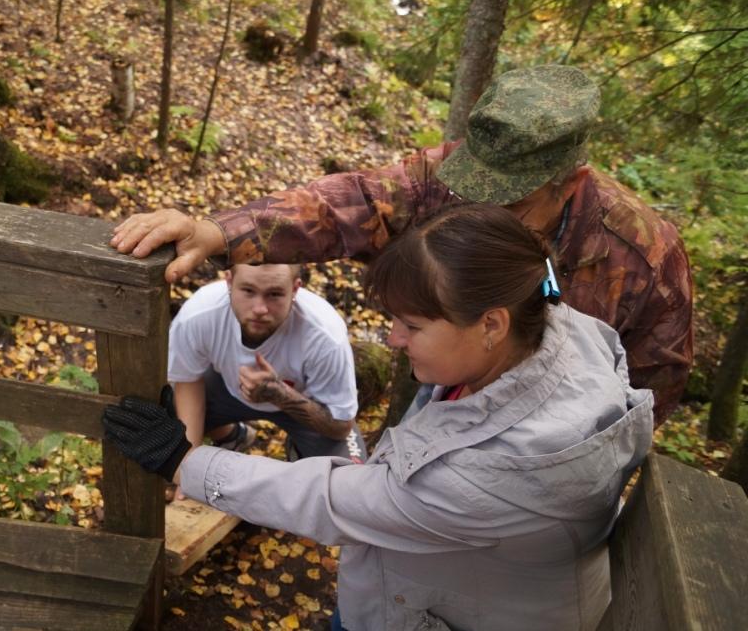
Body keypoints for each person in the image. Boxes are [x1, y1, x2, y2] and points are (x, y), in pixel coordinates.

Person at [104, 203, 654, 631]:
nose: (392, 339)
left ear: (491, 324)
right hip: (434, 593)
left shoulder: (498, 475)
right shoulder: (556, 320)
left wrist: (184, 461)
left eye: (412, 326)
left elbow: (333, 498)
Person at [110, 65, 693, 424]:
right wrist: (217, 232)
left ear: (570, 182)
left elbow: (652, 385)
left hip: (547, 438)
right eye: (477, 190)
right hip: (445, 398)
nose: (486, 210)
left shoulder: (640, 255)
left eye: (511, 201)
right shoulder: (452, 175)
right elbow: (348, 203)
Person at [169, 263, 364, 470]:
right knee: (165, 416)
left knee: (349, 480)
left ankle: (301, 456)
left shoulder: (325, 335)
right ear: (229, 282)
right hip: (227, 391)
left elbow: (342, 427)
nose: (260, 309)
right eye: (248, 291)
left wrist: (281, 395)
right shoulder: (200, 313)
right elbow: (187, 380)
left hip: (308, 408)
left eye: (275, 294)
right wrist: (188, 468)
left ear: (295, 289)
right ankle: (232, 436)